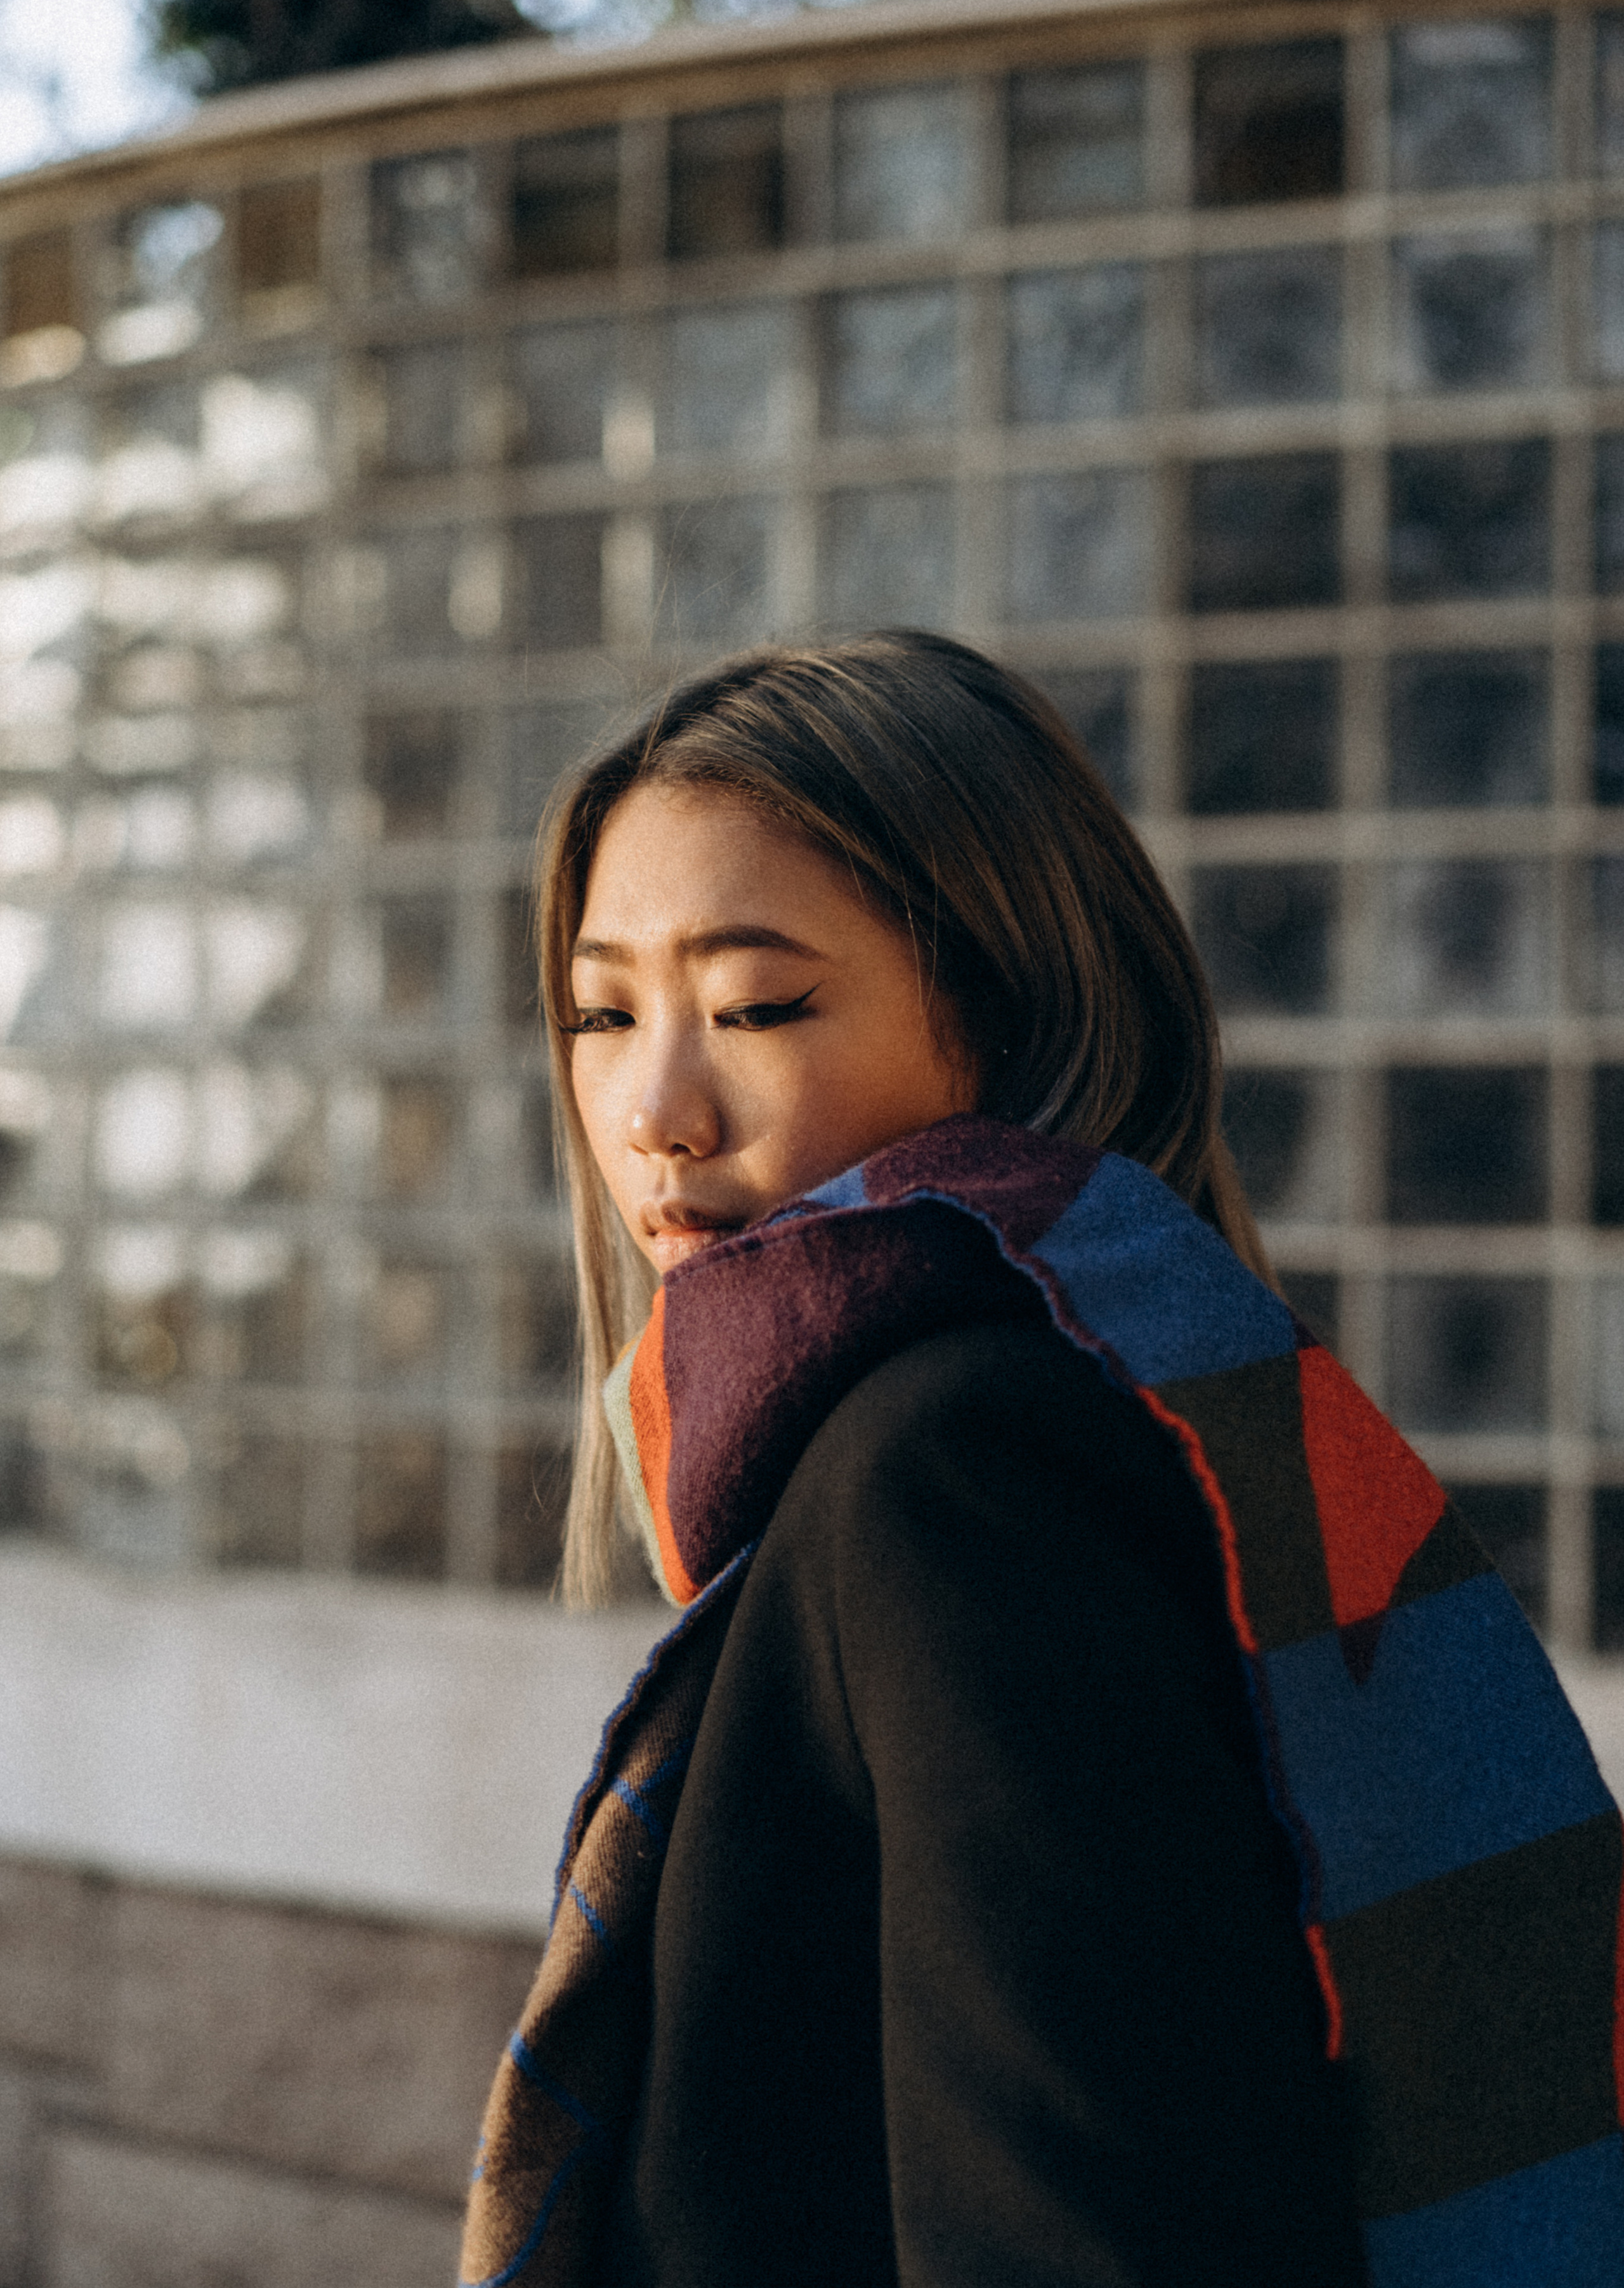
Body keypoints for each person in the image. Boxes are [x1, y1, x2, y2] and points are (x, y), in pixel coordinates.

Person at [462, 633, 1624, 2288]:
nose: (655, 1106)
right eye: (601, 1009)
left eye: (753, 1003)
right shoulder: (1051, 1428)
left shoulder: (957, 1476)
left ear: (1010, 1020)